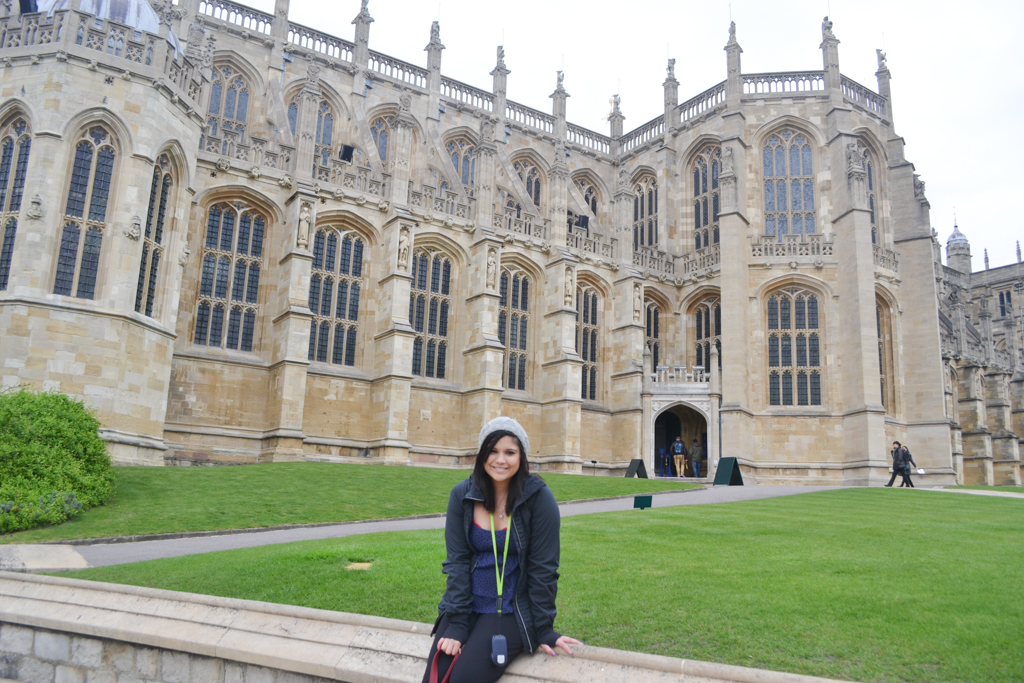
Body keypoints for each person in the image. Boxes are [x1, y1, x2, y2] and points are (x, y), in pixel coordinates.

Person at [423, 416, 581, 683]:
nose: (500, 460)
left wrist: (544, 629)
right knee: (434, 680)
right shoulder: (462, 494)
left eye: (510, 452)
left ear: (522, 457)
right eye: (493, 451)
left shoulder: (539, 498)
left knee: (462, 680)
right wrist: (458, 624)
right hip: (466, 605)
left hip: (511, 610)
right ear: (482, 454)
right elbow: (457, 563)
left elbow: (544, 569)